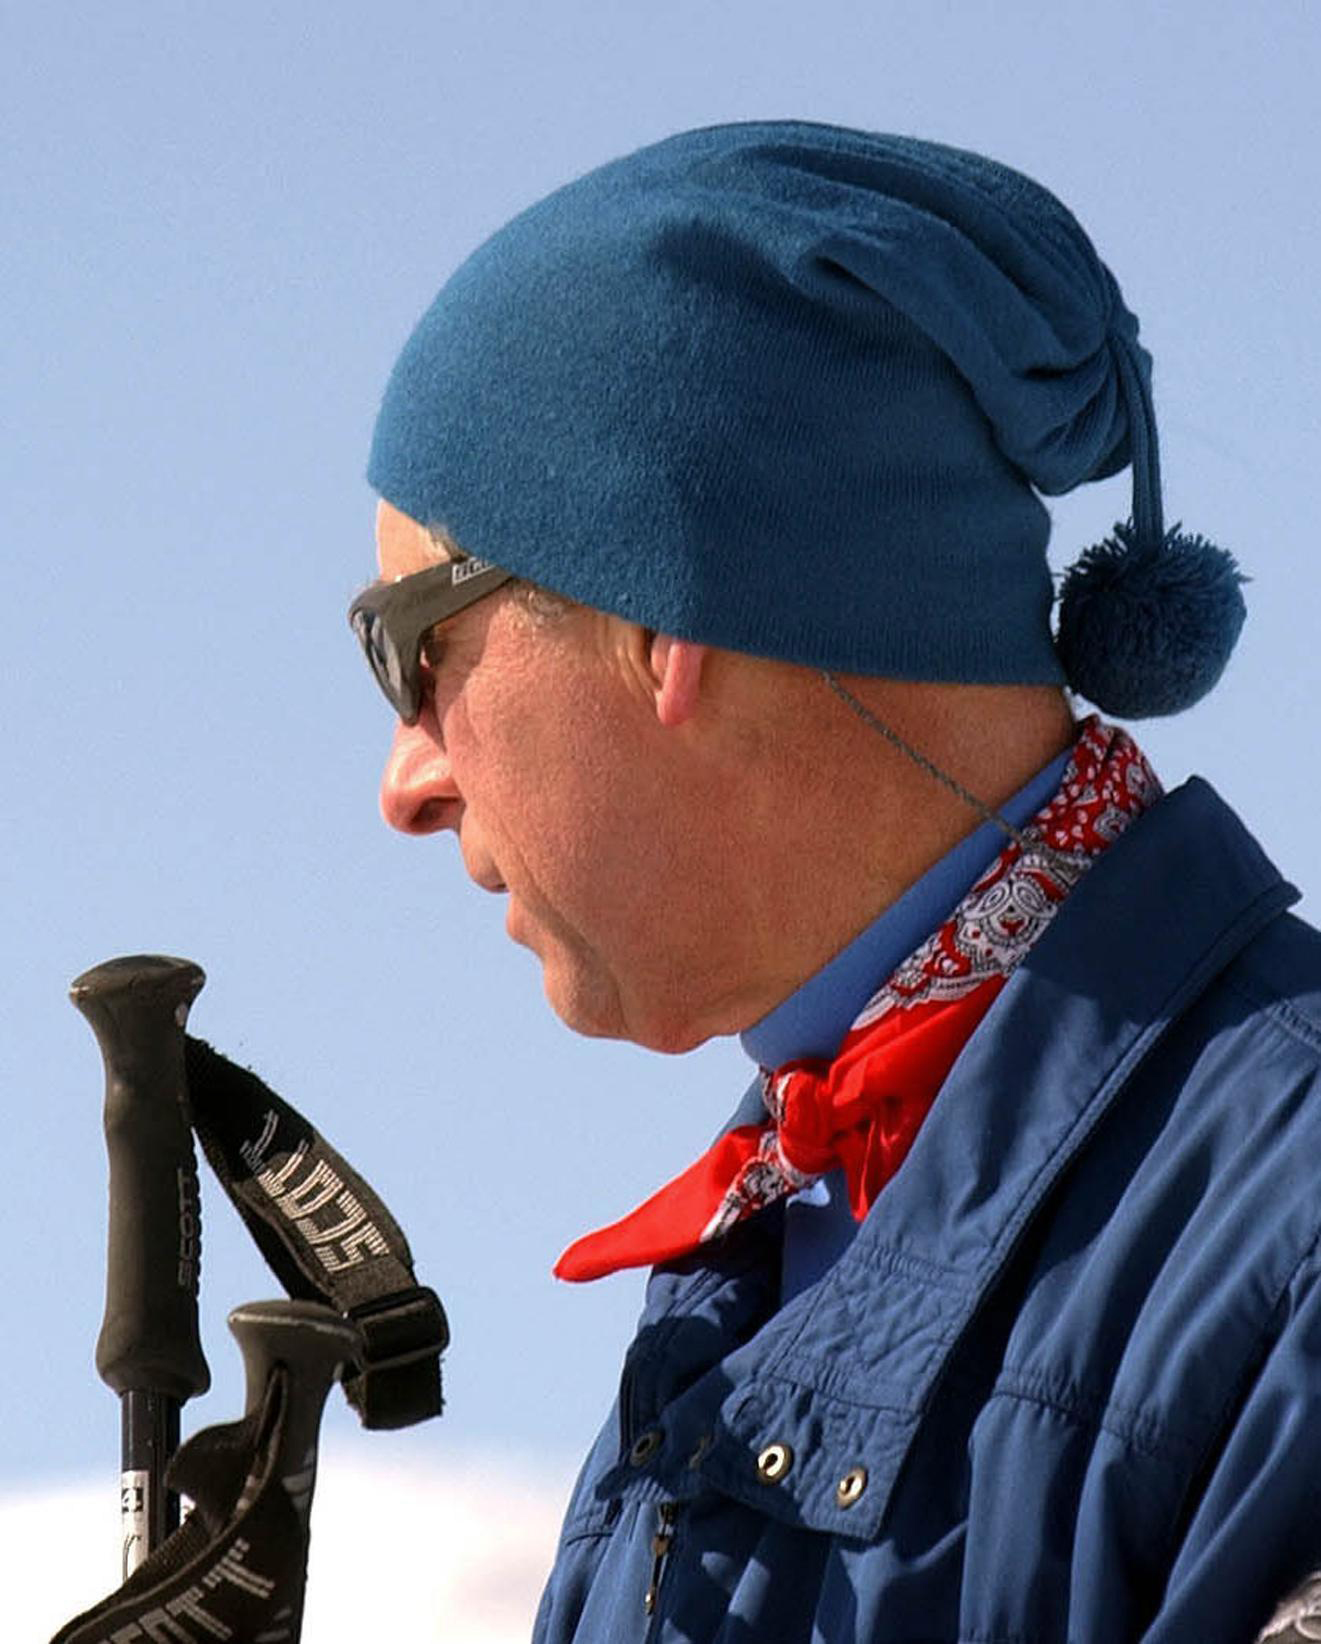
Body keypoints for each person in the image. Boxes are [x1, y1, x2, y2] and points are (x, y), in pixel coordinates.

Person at [350, 123, 1321, 1642]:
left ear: (660, 613)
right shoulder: (766, 1254)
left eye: (412, 651)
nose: (408, 779)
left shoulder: (1290, 1234)